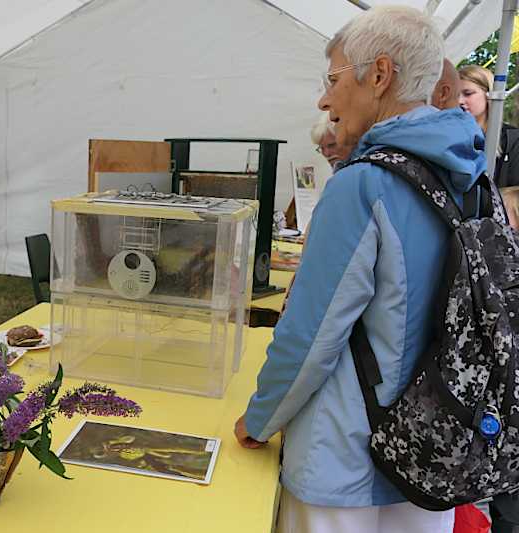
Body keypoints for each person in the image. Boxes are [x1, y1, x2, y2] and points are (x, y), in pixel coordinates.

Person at [235, 6, 484, 532]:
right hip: (433, 452)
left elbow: (310, 334)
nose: (325, 99)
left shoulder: (360, 185)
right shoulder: (465, 178)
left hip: (346, 463)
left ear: (379, 75)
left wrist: (260, 418)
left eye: (332, 79)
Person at [459, 64, 519, 188]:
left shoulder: (513, 139)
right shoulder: (450, 137)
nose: (460, 101)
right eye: (455, 95)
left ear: (489, 95)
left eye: (468, 93)